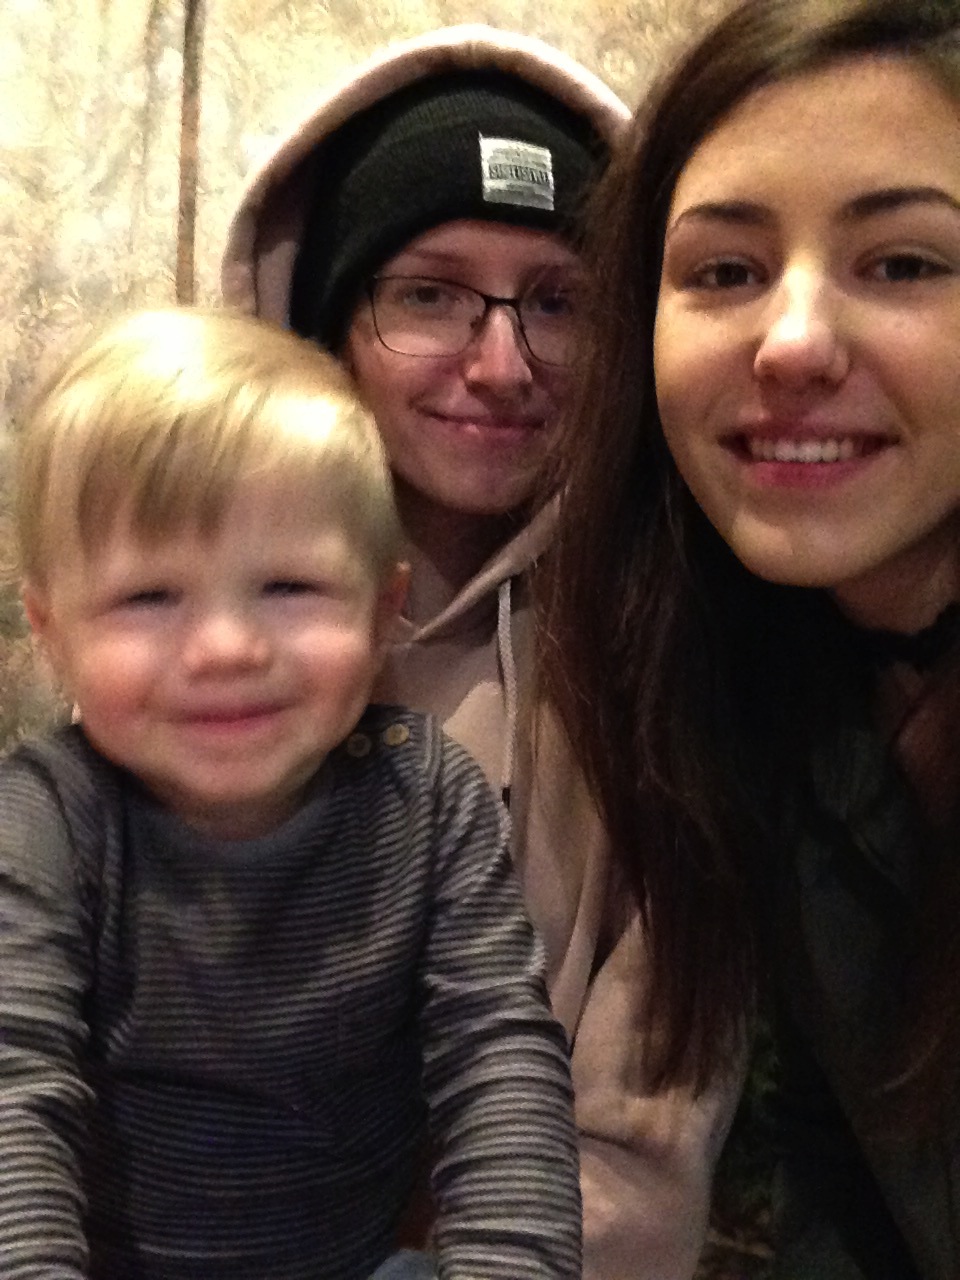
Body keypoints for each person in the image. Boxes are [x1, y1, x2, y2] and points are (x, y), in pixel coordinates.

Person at [221, 27, 741, 1278]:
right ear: (327, 323)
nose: (501, 365)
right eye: (429, 295)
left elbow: (644, 1144)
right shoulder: (199, 627)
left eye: (559, 302)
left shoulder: (668, 662)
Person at [0, 306, 583, 1280]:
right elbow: (15, 1091)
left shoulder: (429, 797)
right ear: (51, 633)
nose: (227, 647)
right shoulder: (44, 820)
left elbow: (498, 1057)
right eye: (149, 597)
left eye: (288, 588)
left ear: (383, 609)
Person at [541, 0, 960, 1275]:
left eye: (904, 263)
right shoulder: (751, 678)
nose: (792, 343)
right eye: (725, 272)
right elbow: (851, 1178)